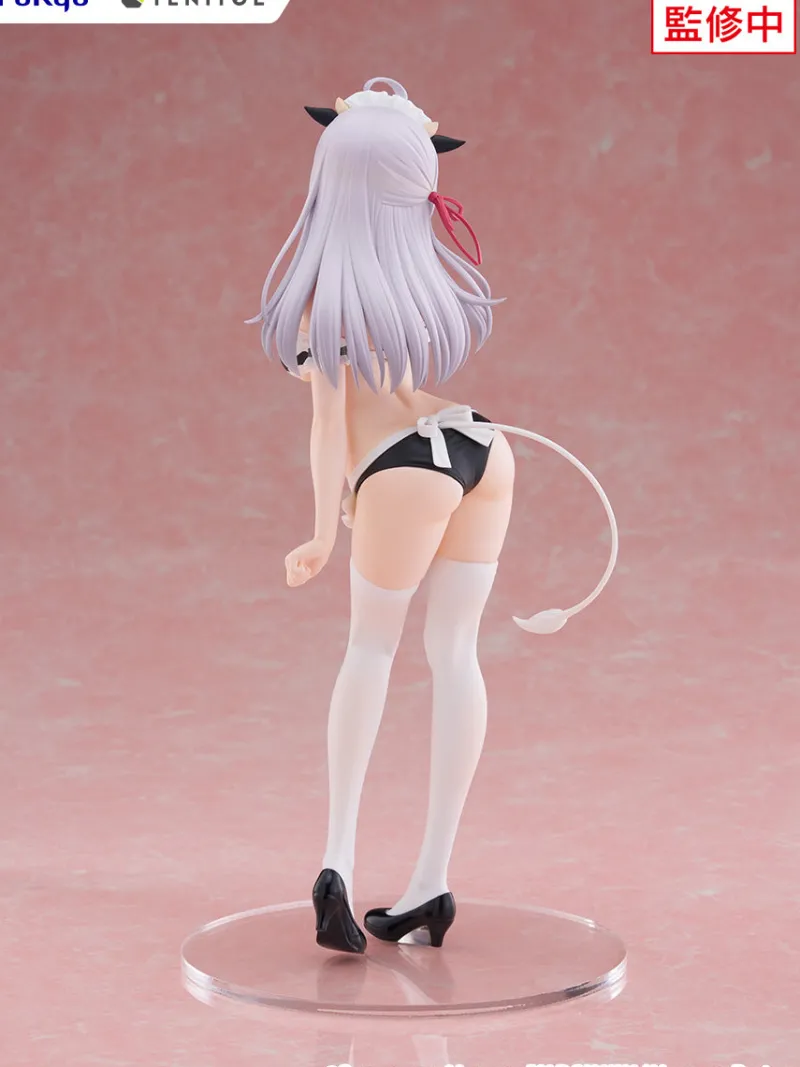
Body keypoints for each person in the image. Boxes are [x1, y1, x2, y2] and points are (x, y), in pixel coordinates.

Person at [249, 77, 618, 954]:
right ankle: (431, 884)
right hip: (480, 443)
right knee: (455, 652)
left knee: (371, 650)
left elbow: (329, 424)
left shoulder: (322, 298)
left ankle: (335, 865)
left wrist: (322, 528)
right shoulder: (418, 282)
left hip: (400, 470)